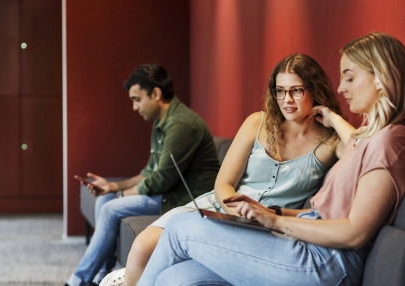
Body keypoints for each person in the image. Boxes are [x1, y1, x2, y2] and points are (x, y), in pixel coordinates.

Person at [137, 32, 405, 286]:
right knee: (175, 277)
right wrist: (269, 212)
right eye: (280, 91)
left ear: (380, 78)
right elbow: (327, 205)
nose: (341, 88)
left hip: (326, 262)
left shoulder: (389, 140)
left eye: (349, 78)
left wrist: (275, 221)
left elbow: (355, 232)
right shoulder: (376, 138)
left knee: (181, 228)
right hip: (308, 243)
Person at [100, 54, 353, 286]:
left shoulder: (330, 142)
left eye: (296, 90)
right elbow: (223, 183)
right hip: (221, 207)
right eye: (280, 91)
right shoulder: (258, 122)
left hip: (267, 226)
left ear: (314, 89)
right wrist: (232, 211)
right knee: (142, 246)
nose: (287, 100)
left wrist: (332, 117)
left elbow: (366, 150)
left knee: (178, 270)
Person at [65, 64, 221, 286]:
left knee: (111, 207)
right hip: (168, 192)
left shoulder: (181, 124)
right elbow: (149, 172)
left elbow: (161, 179)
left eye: (137, 99)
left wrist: (121, 195)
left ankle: (78, 281)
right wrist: (113, 188)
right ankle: (102, 277)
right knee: (105, 200)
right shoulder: (162, 123)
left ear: (156, 94)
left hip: (183, 199)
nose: (134, 107)